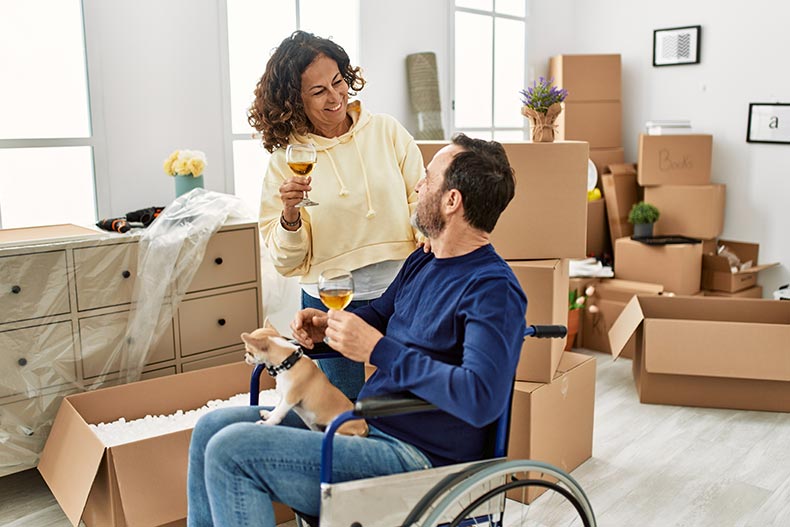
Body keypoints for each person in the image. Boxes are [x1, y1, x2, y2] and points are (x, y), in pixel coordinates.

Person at [187, 134, 527, 527]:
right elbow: (381, 314)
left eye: (428, 179)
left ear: (452, 201)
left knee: (233, 449)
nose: (418, 186)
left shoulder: (493, 289)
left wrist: (378, 350)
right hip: (365, 427)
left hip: (420, 461)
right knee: (211, 427)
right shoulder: (424, 261)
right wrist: (327, 327)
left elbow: (481, 397)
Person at [248, 30, 426, 401]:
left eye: (338, 82)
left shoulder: (387, 132)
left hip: (399, 294)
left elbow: (420, 199)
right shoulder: (286, 159)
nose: (336, 97)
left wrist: (428, 240)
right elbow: (286, 262)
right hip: (328, 300)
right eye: (318, 91)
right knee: (343, 408)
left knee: (407, 404)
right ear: (294, 101)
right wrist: (290, 216)